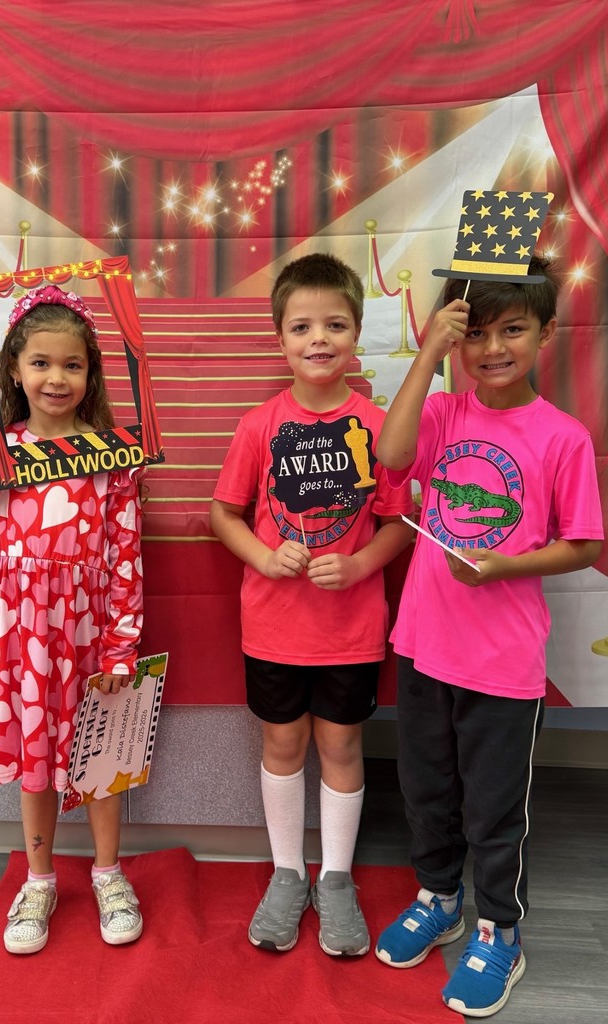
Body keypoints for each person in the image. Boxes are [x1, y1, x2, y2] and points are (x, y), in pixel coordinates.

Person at [373, 255, 603, 1017]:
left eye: (513, 330)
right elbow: (390, 458)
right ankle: (439, 897)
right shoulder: (442, 414)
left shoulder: (561, 437)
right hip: (422, 645)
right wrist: (427, 357)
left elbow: (583, 544)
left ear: (543, 334)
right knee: (426, 790)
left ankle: (499, 929)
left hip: (503, 663)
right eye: (476, 333)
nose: (492, 348)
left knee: (494, 806)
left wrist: (507, 565)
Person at [210, 253, 414, 957]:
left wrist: (358, 563)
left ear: (357, 331)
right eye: (301, 326)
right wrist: (265, 556)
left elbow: (397, 526)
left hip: (350, 630)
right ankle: (285, 873)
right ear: (280, 339)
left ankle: (335, 879)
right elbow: (221, 513)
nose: (317, 338)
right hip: (271, 627)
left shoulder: (379, 428)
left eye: (334, 323)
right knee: (282, 744)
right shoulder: (258, 425)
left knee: (341, 746)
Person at [0, 284, 145, 954]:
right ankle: (38, 880)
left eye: (71, 364)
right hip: (24, 639)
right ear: (14, 369)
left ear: (90, 373)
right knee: (35, 762)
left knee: (98, 760)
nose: (55, 377)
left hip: (92, 635)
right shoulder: (3, 453)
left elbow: (125, 555)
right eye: (40, 363)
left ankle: (107, 873)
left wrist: (123, 645)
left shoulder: (110, 458)